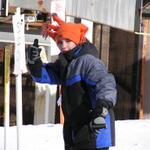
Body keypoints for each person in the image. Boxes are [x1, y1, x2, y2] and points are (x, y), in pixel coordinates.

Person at [27, 13, 117, 150]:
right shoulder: (65, 64)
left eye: (68, 41)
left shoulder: (88, 61)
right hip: (73, 129)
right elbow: (43, 75)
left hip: (94, 127)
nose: (63, 45)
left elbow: (106, 84)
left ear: (78, 40)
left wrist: (102, 110)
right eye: (60, 42)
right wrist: (34, 62)